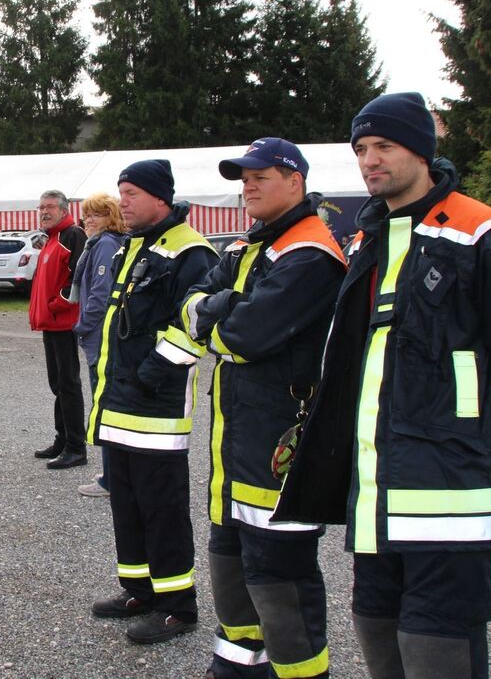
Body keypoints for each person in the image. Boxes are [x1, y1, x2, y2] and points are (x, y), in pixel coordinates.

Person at [273, 92, 491, 679]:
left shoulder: (483, 233)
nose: (370, 160)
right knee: (379, 635)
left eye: (385, 145)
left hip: (448, 499)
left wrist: (463, 402)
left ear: (423, 151)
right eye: (361, 149)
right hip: (376, 500)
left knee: (439, 651)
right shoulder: (369, 241)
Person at [182, 139, 347, 679]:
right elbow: (188, 306)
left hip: (279, 445)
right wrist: (217, 311)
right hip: (236, 450)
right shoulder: (245, 245)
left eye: (261, 176)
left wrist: (217, 314)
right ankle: (234, 668)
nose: (247, 186)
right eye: (243, 178)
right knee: (231, 572)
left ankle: (302, 673)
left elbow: (244, 337)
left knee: (282, 582)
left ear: (295, 182)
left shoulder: (311, 254)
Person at [87, 159, 218, 644]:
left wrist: (148, 377)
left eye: (132, 193)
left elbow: (194, 329)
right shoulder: (133, 246)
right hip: (120, 406)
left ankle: (177, 607)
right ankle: (138, 590)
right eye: (121, 191)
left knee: (161, 508)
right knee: (127, 504)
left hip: (156, 409)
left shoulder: (190, 252)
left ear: (160, 197)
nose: (123, 201)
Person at [29, 189, 89, 470]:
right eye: (41, 207)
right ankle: (62, 438)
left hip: (63, 322)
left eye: (50, 206)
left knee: (68, 383)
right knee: (57, 383)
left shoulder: (72, 236)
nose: (44, 211)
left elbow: (78, 277)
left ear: (64, 210)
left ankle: (76, 447)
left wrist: (57, 303)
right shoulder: (51, 240)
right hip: (50, 322)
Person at [71, 193, 126, 497]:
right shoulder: (105, 243)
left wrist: (82, 327)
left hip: (99, 337)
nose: (89, 220)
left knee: (103, 405)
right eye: (87, 214)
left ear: (111, 216)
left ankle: (110, 479)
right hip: (102, 336)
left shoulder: (104, 245)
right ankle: (111, 471)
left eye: (97, 214)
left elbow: (99, 296)